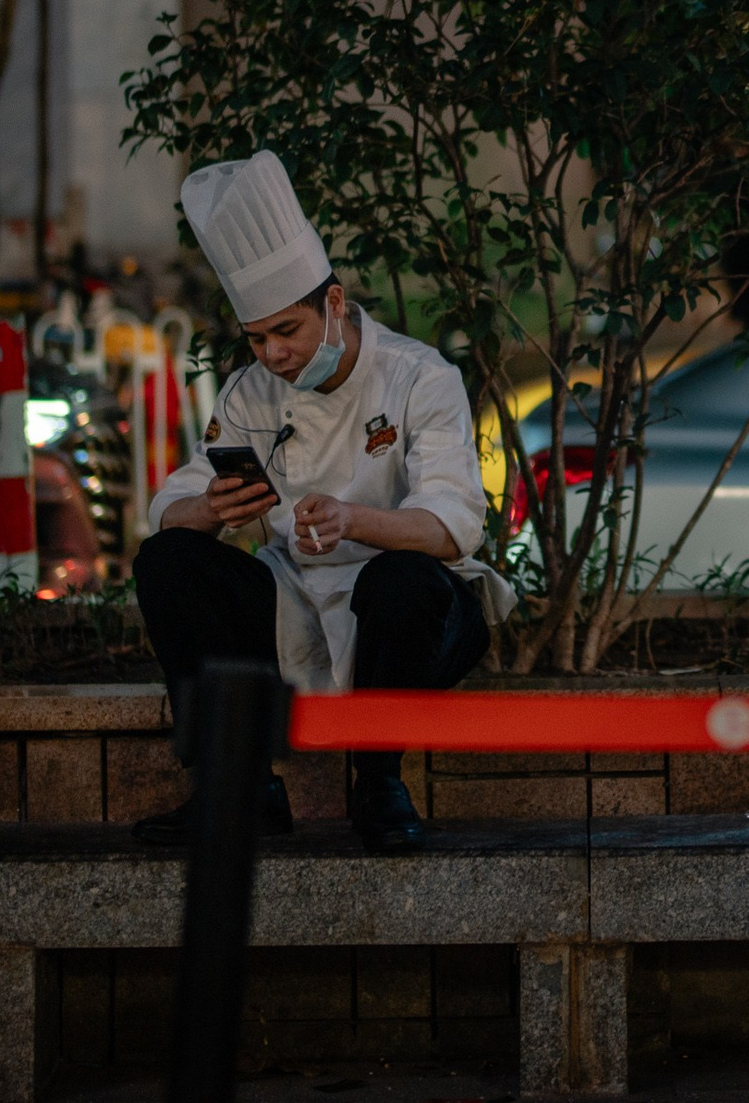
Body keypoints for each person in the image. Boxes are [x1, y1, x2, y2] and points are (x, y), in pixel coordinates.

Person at [131, 152, 514, 853]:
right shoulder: (251, 392)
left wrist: (353, 520)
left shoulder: (419, 377)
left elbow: (456, 525)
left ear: (333, 304)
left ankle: (379, 779)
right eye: (257, 338)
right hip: (292, 607)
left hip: (411, 617)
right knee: (168, 560)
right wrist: (215, 508)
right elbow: (167, 509)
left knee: (402, 581)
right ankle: (237, 785)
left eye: (288, 331)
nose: (273, 353)